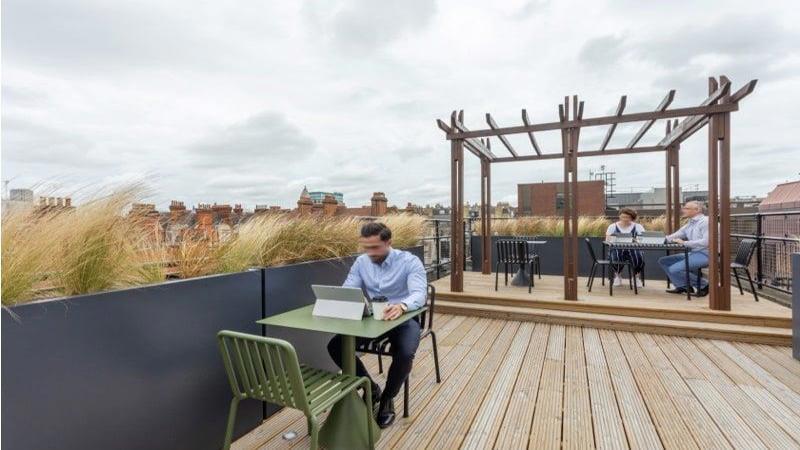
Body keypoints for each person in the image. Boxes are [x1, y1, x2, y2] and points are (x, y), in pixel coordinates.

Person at [326, 221, 427, 428]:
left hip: (404, 317)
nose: (369, 252)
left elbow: (419, 293)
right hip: (374, 317)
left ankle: (388, 399)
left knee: (405, 353)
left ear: (388, 242)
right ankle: (371, 388)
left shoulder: (409, 262)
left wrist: (402, 305)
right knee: (335, 346)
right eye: (365, 247)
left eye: (375, 247)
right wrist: (344, 300)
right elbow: (349, 289)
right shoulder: (361, 262)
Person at [657, 201, 709, 296]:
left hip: (707, 254)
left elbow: (707, 242)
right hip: (695, 253)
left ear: (697, 210)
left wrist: (685, 243)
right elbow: (675, 235)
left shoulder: (706, 222)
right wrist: (656, 240)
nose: (683, 210)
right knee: (663, 261)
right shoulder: (691, 223)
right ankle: (683, 286)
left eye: (686, 208)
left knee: (674, 269)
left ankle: (704, 285)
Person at [605, 207, 646, 288]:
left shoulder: (638, 226)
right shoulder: (612, 226)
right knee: (615, 255)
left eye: (627, 217)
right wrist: (613, 239)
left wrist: (635, 240)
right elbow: (607, 239)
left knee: (638, 256)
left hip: (633, 248)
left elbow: (643, 239)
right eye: (623, 217)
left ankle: (636, 277)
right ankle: (618, 276)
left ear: (632, 218)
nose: (625, 219)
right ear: (619, 216)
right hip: (617, 248)